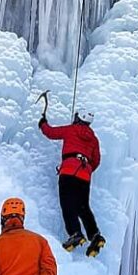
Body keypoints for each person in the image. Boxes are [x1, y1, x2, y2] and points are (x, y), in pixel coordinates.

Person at [38, 94, 106, 257]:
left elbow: (51, 132)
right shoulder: (94, 139)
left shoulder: (71, 129)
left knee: (67, 203)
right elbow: (96, 160)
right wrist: (87, 170)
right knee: (83, 207)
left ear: (78, 118)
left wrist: (43, 123)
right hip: (85, 175)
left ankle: (75, 233)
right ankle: (95, 236)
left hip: (69, 171)